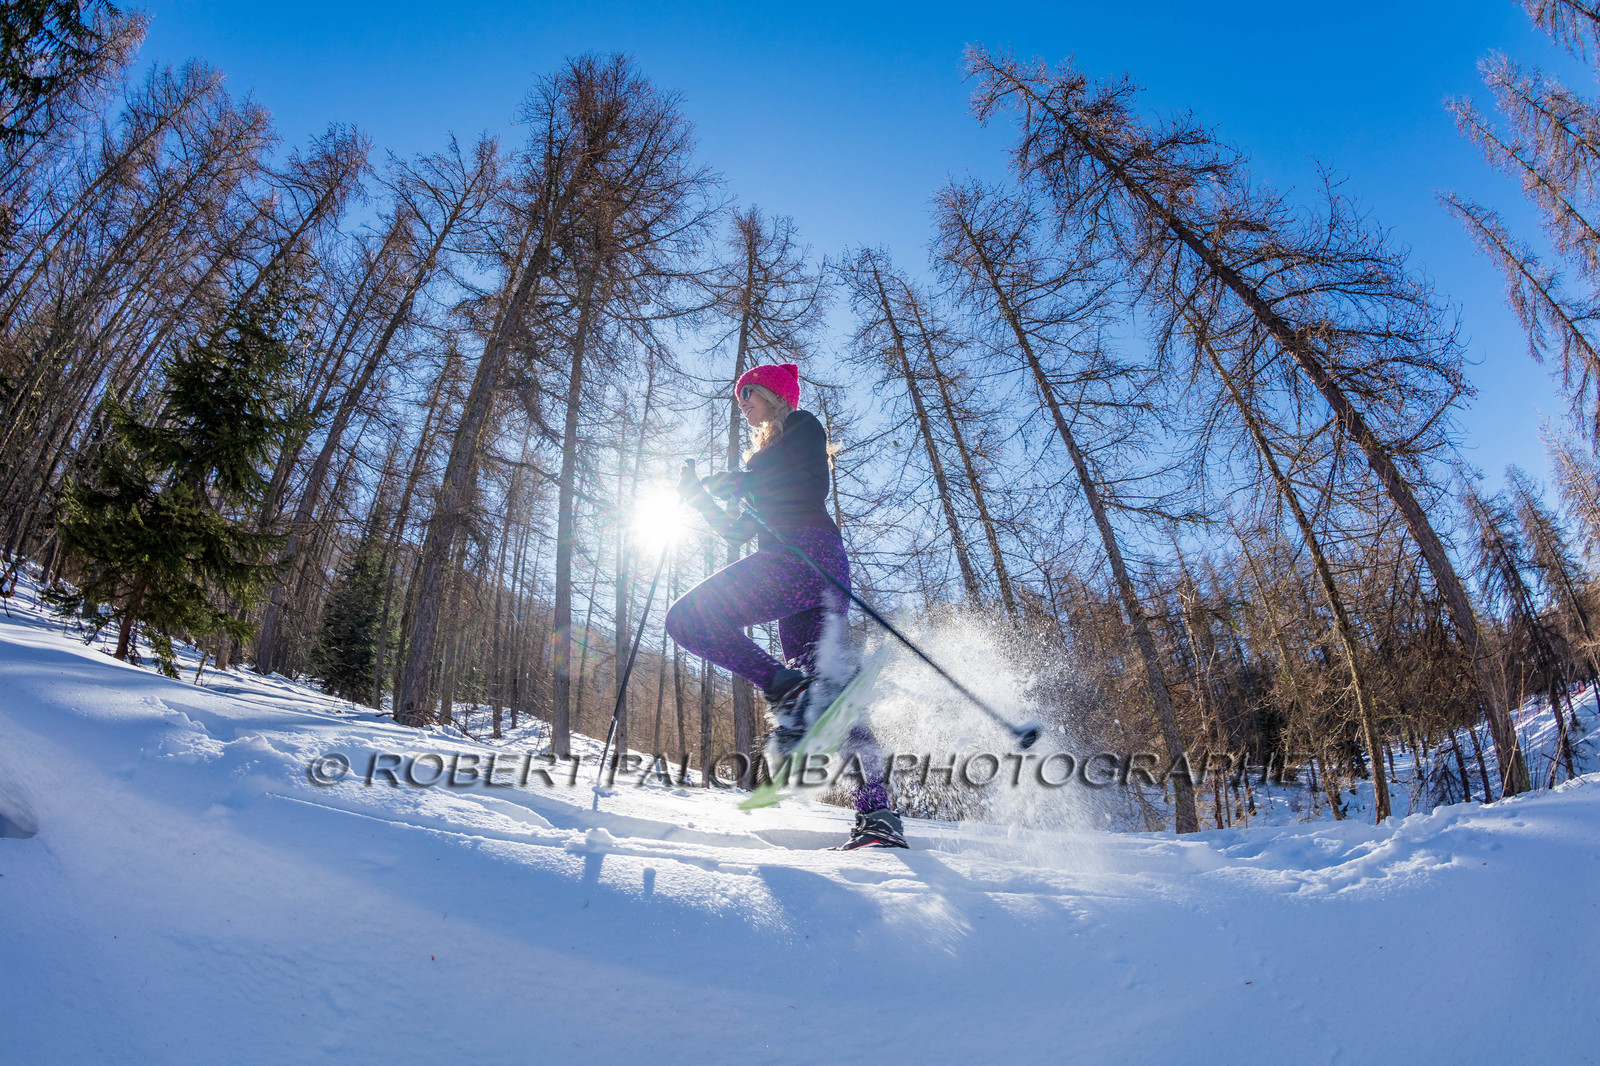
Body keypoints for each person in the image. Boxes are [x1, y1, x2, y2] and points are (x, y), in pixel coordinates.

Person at [664, 362, 907, 850]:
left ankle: (786, 691)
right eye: (739, 398)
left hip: (804, 557)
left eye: (748, 392)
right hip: (800, 566)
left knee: (688, 619)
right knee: (829, 696)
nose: (743, 404)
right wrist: (698, 498)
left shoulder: (802, 428)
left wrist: (742, 481)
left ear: (774, 393)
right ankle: (877, 811)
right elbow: (737, 533)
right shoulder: (761, 461)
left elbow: (809, 484)